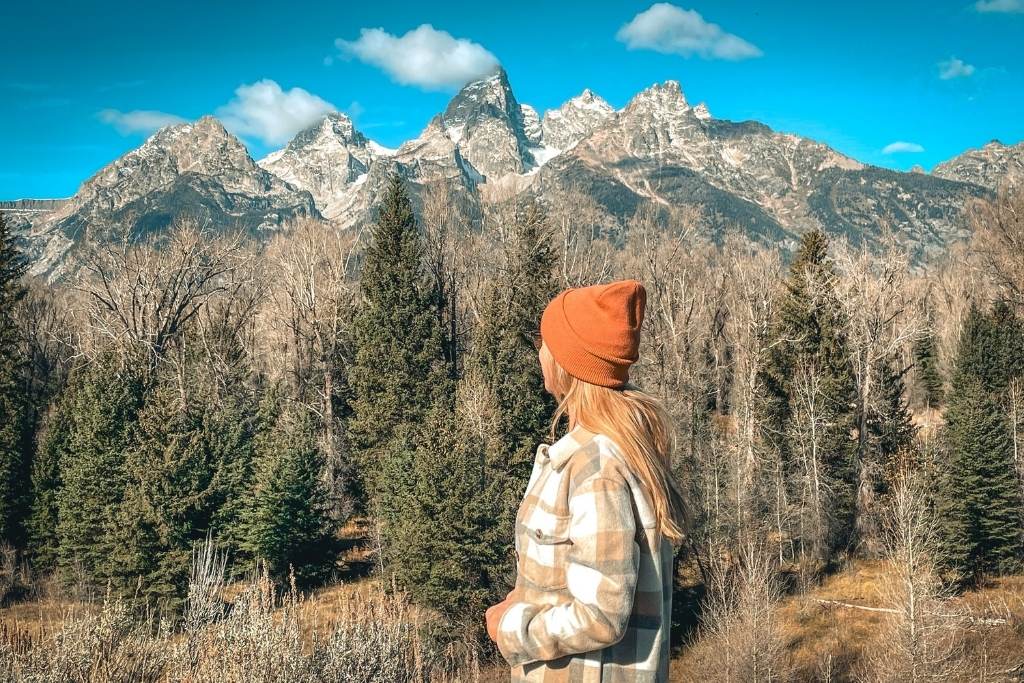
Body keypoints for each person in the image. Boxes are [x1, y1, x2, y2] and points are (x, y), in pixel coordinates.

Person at [485, 279, 689, 682]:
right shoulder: (615, 452)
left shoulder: (596, 470)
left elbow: (600, 615)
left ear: (567, 363)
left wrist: (511, 627)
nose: (539, 353)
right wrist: (526, 599)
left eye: (546, 343)